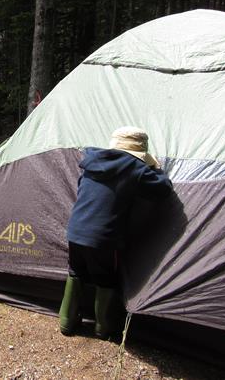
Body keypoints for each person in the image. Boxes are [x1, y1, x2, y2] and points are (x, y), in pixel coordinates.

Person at [58, 126, 173, 339]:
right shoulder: (134, 168)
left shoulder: (90, 161)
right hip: (104, 239)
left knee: (76, 271)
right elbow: (163, 189)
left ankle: (67, 322)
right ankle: (104, 327)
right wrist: (155, 168)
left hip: (75, 231)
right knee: (106, 279)